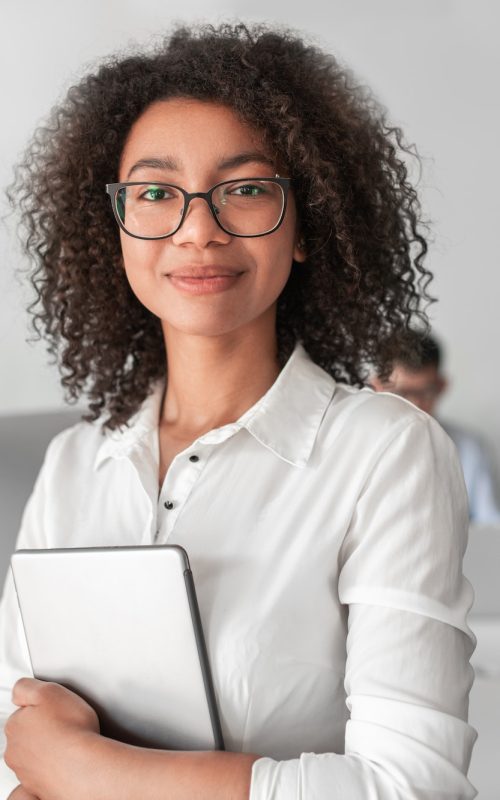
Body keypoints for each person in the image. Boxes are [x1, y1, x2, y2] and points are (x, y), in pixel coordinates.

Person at [0, 23, 477, 800]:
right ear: (115, 229)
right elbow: (17, 744)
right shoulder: (74, 468)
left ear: (305, 228)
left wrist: (95, 772)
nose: (198, 229)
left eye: (247, 189)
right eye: (155, 192)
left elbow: (413, 787)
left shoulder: (387, 452)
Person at [370, 330, 500, 524]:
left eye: (425, 392)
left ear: (441, 386)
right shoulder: (355, 447)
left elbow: (489, 527)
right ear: (377, 386)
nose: (414, 405)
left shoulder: (470, 450)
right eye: (402, 393)